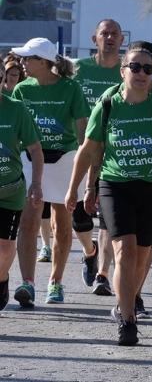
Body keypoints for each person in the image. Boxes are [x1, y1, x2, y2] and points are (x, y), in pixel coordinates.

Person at [65, 41, 152, 346]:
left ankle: (128, 298)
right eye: (134, 67)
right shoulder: (108, 105)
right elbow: (89, 151)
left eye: (148, 68)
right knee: (125, 249)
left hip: (151, 186)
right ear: (123, 71)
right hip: (115, 184)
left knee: (143, 252)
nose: (141, 73)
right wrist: (78, 187)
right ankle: (128, 320)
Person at [11, 38, 90, 306]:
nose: (22, 62)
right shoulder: (22, 90)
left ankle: (55, 282)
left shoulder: (71, 88)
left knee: (61, 223)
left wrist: (86, 168)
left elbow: (83, 134)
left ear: (44, 62)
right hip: (32, 160)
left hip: (64, 160)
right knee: (28, 221)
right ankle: (27, 283)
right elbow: (15, 131)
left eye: (28, 58)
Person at [74, 18, 125, 296]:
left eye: (114, 34)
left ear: (121, 40)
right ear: (95, 39)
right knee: (79, 218)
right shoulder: (79, 69)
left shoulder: (126, 71)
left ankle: (104, 275)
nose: (109, 38)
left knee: (107, 215)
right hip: (82, 149)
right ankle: (89, 251)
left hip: (113, 153)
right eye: (104, 33)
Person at [0, 65, 43, 310]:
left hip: (10, 190)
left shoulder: (16, 109)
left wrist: (36, 183)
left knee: (4, 249)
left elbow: (35, 149)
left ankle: (3, 277)